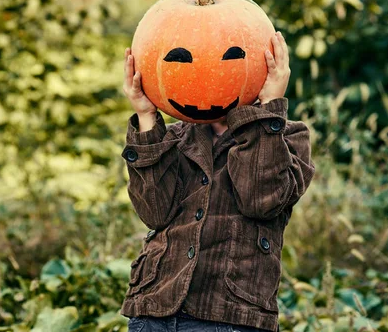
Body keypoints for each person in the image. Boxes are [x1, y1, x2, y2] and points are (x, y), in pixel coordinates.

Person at [120, 32, 315, 332]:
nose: (214, 73)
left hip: (230, 317)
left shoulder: (285, 136)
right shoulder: (172, 138)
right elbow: (154, 213)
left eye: (230, 61)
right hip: (154, 312)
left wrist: (269, 105)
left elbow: (261, 200)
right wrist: (146, 117)